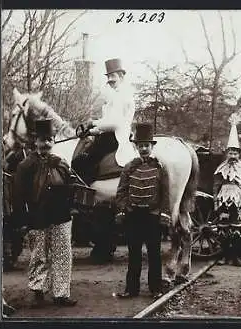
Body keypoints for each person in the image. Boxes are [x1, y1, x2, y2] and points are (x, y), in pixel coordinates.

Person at [13, 119, 77, 307]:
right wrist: (22, 220)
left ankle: (61, 293)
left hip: (61, 216)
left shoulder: (61, 164)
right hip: (36, 217)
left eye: (49, 139)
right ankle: (38, 292)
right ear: (36, 142)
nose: (46, 143)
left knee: (63, 254)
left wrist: (71, 206)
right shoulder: (25, 166)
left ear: (54, 141)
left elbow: (71, 187)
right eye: (42, 140)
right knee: (38, 255)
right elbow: (18, 195)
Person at [114, 123, 170, 299]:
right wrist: (124, 208)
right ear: (136, 147)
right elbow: (121, 192)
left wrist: (164, 213)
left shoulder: (160, 167)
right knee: (134, 254)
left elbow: (165, 193)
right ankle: (131, 289)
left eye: (147, 145)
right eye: (140, 146)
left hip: (152, 216)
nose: (144, 149)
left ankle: (155, 288)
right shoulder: (129, 167)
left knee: (154, 254)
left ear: (152, 146)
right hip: (134, 217)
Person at [72, 58, 137, 184]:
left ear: (121, 76)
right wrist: (92, 131)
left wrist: (94, 123)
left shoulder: (123, 95)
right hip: (107, 135)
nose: (110, 80)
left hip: (115, 138)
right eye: (108, 77)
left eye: (113, 76)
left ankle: (86, 193)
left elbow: (115, 123)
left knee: (80, 162)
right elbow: (106, 122)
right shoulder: (115, 95)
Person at [213, 125, 241, 267]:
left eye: (235, 153)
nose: (233, 156)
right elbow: (216, 184)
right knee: (223, 229)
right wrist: (216, 201)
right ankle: (224, 255)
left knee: (236, 229)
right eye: (231, 153)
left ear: (239, 154)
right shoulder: (221, 168)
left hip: (238, 200)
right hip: (224, 199)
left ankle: (235, 256)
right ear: (227, 153)